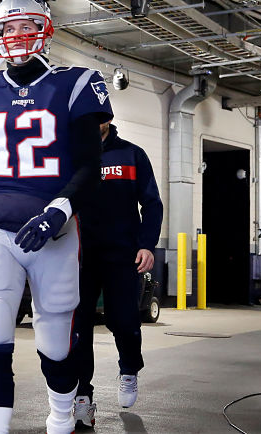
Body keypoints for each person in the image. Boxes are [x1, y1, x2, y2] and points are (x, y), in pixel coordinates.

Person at [0, 0, 113, 434]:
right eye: (6, 28)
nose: (16, 35)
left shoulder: (76, 82)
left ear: (45, 29)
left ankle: (61, 419)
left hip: (55, 232)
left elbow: (90, 166)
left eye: (26, 26)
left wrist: (59, 210)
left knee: (55, 345)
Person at [72, 121, 163, 428]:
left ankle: (129, 369)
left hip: (123, 254)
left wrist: (147, 244)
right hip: (80, 256)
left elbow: (152, 203)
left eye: (100, 115)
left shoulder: (132, 155)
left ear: (108, 119)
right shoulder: (72, 154)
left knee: (123, 321)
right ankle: (82, 396)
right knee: (79, 327)